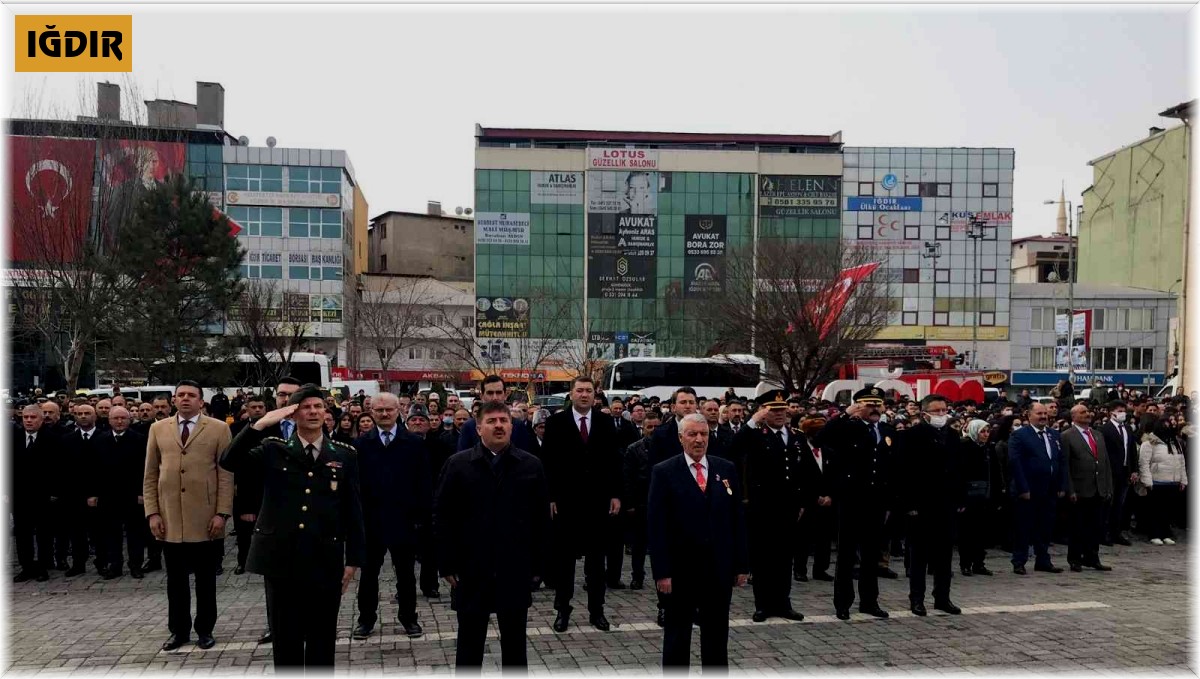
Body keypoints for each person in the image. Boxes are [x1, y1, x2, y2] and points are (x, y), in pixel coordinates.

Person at [219, 384, 364, 669]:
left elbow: (353, 509)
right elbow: (229, 461)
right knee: (286, 639)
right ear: (293, 414)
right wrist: (259, 424)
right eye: (305, 407)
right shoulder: (274, 449)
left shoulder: (344, 454)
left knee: (322, 638)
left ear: (326, 412)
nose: (313, 412)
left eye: (318, 406)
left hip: (325, 557)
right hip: (281, 559)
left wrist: (354, 559)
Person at [433, 400, 550, 672]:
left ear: (512, 426)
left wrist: (539, 566)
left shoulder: (530, 465)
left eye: (504, 420)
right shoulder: (458, 465)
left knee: (515, 648)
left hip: (514, 567)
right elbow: (442, 516)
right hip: (471, 568)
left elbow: (541, 521)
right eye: (491, 421)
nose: (499, 426)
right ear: (478, 428)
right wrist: (447, 563)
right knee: (469, 647)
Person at [648, 413, 749, 670]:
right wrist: (662, 572)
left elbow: (737, 519)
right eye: (692, 434)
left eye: (703, 434)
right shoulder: (664, 471)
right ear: (681, 438)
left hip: (718, 570)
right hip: (680, 570)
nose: (699, 439)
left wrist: (741, 565)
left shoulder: (725, 469)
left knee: (716, 635)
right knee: (677, 636)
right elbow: (657, 525)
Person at [143, 380, 234, 651]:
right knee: (176, 581)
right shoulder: (158, 428)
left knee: (206, 580)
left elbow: (226, 475)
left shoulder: (219, 428)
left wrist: (222, 513)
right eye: (180, 395)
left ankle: (205, 629)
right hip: (170, 518)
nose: (185, 399)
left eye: (191, 395)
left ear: (201, 401)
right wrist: (152, 513)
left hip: (205, 518)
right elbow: (150, 474)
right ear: (174, 400)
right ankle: (179, 631)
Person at [541, 376, 622, 633]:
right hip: (566, 503)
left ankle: (597, 611)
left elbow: (614, 461)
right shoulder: (556, 423)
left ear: (594, 395)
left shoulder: (605, 422)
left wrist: (615, 494)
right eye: (580, 390)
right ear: (571, 393)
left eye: (588, 391)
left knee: (596, 563)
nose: (584, 395)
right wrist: (550, 497)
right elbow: (548, 462)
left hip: (598, 503)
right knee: (564, 562)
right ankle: (562, 610)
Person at [352, 393, 430, 639]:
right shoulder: (361, 445)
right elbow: (355, 486)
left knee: (406, 575)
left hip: (404, 520)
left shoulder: (414, 443)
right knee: (368, 575)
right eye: (379, 410)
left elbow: (423, 483)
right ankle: (366, 620)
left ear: (399, 411)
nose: (384, 414)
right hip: (371, 521)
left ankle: (409, 618)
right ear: (371, 412)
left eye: (389, 409)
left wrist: (421, 518)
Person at [819, 387, 893, 621]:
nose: (874, 409)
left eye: (877, 404)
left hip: (876, 499)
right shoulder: (847, 427)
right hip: (851, 498)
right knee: (847, 554)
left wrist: (889, 501)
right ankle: (843, 602)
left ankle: (869, 601)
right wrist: (844, 414)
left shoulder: (886, 430)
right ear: (859, 406)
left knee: (871, 554)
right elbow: (821, 438)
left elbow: (891, 468)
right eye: (869, 404)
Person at [737, 389, 807, 623]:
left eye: (782, 409)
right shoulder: (756, 435)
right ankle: (763, 605)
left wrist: (802, 501)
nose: (779, 414)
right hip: (763, 507)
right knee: (763, 558)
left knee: (784, 558)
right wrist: (752, 421)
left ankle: (783, 603)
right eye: (774, 410)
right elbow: (735, 447)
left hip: (788, 507)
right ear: (764, 412)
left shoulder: (796, 436)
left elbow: (804, 471)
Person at [896, 395, 964, 616]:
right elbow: (904, 472)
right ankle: (917, 598)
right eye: (936, 411)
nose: (941, 414)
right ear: (925, 413)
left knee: (944, 555)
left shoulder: (952, 435)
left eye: (944, 410)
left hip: (946, 503)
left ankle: (942, 597)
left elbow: (958, 469)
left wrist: (959, 498)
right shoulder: (911, 435)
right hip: (921, 504)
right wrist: (909, 505)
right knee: (919, 555)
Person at [1009, 402, 1068, 575]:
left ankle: (1043, 560)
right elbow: (1015, 463)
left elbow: (1061, 461)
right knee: (1024, 527)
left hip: (1049, 489)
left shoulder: (1054, 434)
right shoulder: (1020, 435)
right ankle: (1019, 561)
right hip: (1029, 489)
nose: (1043, 417)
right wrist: (1023, 488)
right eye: (1039, 413)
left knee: (1045, 526)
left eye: (1045, 413)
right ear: (1029, 415)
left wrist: (1061, 485)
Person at [91, 406, 148, 579]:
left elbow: (145, 469)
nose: (119, 421)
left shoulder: (140, 439)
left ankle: (136, 565)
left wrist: (142, 493)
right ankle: (115, 565)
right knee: (111, 532)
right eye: (116, 418)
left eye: (123, 418)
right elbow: (93, 469)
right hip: (108, 495)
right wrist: (94, 493)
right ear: (109, 420)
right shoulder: (100, 440)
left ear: (130, 420)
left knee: (135, 532)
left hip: (133, 494)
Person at [1061, 404, 1114, 571]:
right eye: (1082, 412)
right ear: (1074, 416)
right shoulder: (1067, 436)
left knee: (1095, 526)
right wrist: (1070, 489)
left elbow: (1105, 462)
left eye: (1087, 411)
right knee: (1077, 526)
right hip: (1080, 489)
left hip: (1098, 488)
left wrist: (1108, 486)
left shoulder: (1097, 435)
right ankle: (1075, 558)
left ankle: (1092, 557)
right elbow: (1065, 465)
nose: (1087, 414)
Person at [622, 409, 661, 605]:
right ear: (643, 428)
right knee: (639, 544)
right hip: (640, 502)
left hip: (661, 502)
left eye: (656, 427)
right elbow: (627, 478)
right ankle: (637, 576)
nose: (652, 430)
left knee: (660, 544)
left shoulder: (667, 447)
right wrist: (630, 503)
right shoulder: (633, 449)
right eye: (649, 427)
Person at [12, 405, 54, 582]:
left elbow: (58, 468)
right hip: (19, 495)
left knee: (44, 533)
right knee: (22, 533)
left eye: (33, 417)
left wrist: (54, 492)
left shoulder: (52, 439)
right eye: (25, 417)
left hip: (43, 496)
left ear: (41, 419)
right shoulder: (12, 438)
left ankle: (43, 567)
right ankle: (26, 567)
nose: (28, 420)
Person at [794, 412, 834, 583]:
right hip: (808, 501)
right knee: (803, 538)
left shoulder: (829, 452)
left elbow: (834, 476)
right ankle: (800, 569)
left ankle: (821, 569)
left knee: (824, 538)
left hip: (827, 502)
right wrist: (814, 497)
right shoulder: (800, 451)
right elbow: (799, 478)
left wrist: (830, 495)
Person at [1137, 414, 1188, 546]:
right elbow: (1144, 463)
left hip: (1173, 481)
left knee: (1168, 509)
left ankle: (1165, 534)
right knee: (1155, 510)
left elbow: (1181, 462)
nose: (1168, 426)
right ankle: (1154, 534)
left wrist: (1183, 480)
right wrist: (1147, 481)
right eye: (1165, 424)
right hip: (1157, 481)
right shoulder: (1149, 443)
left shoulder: (1175, 443)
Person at [957, 420, 995, 577]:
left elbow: (994, 472)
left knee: (981, 532)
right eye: (982, 431)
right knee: (967, 532)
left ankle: (979, 563)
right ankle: (965, 563)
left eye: (987, 431)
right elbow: (960, 473)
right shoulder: (964, 447)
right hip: (968, 495)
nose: (986, 435)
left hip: (984, 494)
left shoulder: (988, 448)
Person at [458, 376, 536, 452]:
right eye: (490, 393)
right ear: (481, 396)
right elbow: (463, 458)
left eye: (498, 393)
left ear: (505, 395)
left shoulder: (518, 426)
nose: (495, 397)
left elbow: (523, 457)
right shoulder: (469, 427)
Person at [1099, 401, 1138, 546]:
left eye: (1124, 410)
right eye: (1119, 411)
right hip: (1110, 472)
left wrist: (1134, 470)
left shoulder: (1127, 428)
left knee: (1119, 504)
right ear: (1112, 413)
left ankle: (1116, 532)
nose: (1123, 413)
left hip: (1125, 471)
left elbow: (1132, 450)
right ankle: (1104, 533)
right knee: (1107, 504)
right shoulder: (1104, 429)